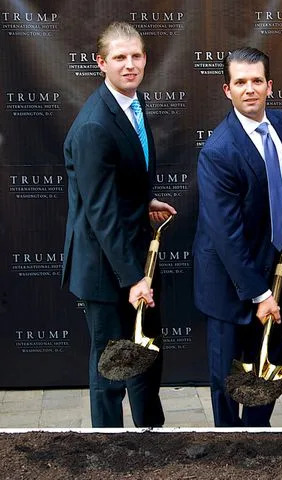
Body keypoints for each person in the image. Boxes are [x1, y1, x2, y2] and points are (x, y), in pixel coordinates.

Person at [61, 22, 176, 428]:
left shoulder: (132, 101)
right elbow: (100, 213)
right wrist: (133, 280)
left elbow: (121, 180)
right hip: (106, 267)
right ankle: (107, 447)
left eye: (136, 56)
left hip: (133, 254)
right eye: (119, 58)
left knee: (145, 351)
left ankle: (149, 434)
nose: (130, 65)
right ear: (101, 63)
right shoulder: (95, 125)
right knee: (111, 364)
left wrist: (145, 200)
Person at [193, 47, 282, 427]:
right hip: (228, 279)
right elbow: (227, 234)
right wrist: (261, 294)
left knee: (266, 359)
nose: (249, 89)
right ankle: (228, 441)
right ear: (227, 90)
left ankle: (258, 431)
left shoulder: (281, 123)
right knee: (227, 375)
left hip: (269, 265)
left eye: (257, 81)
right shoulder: (219, 151)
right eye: (240, 82)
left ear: (269, 85)